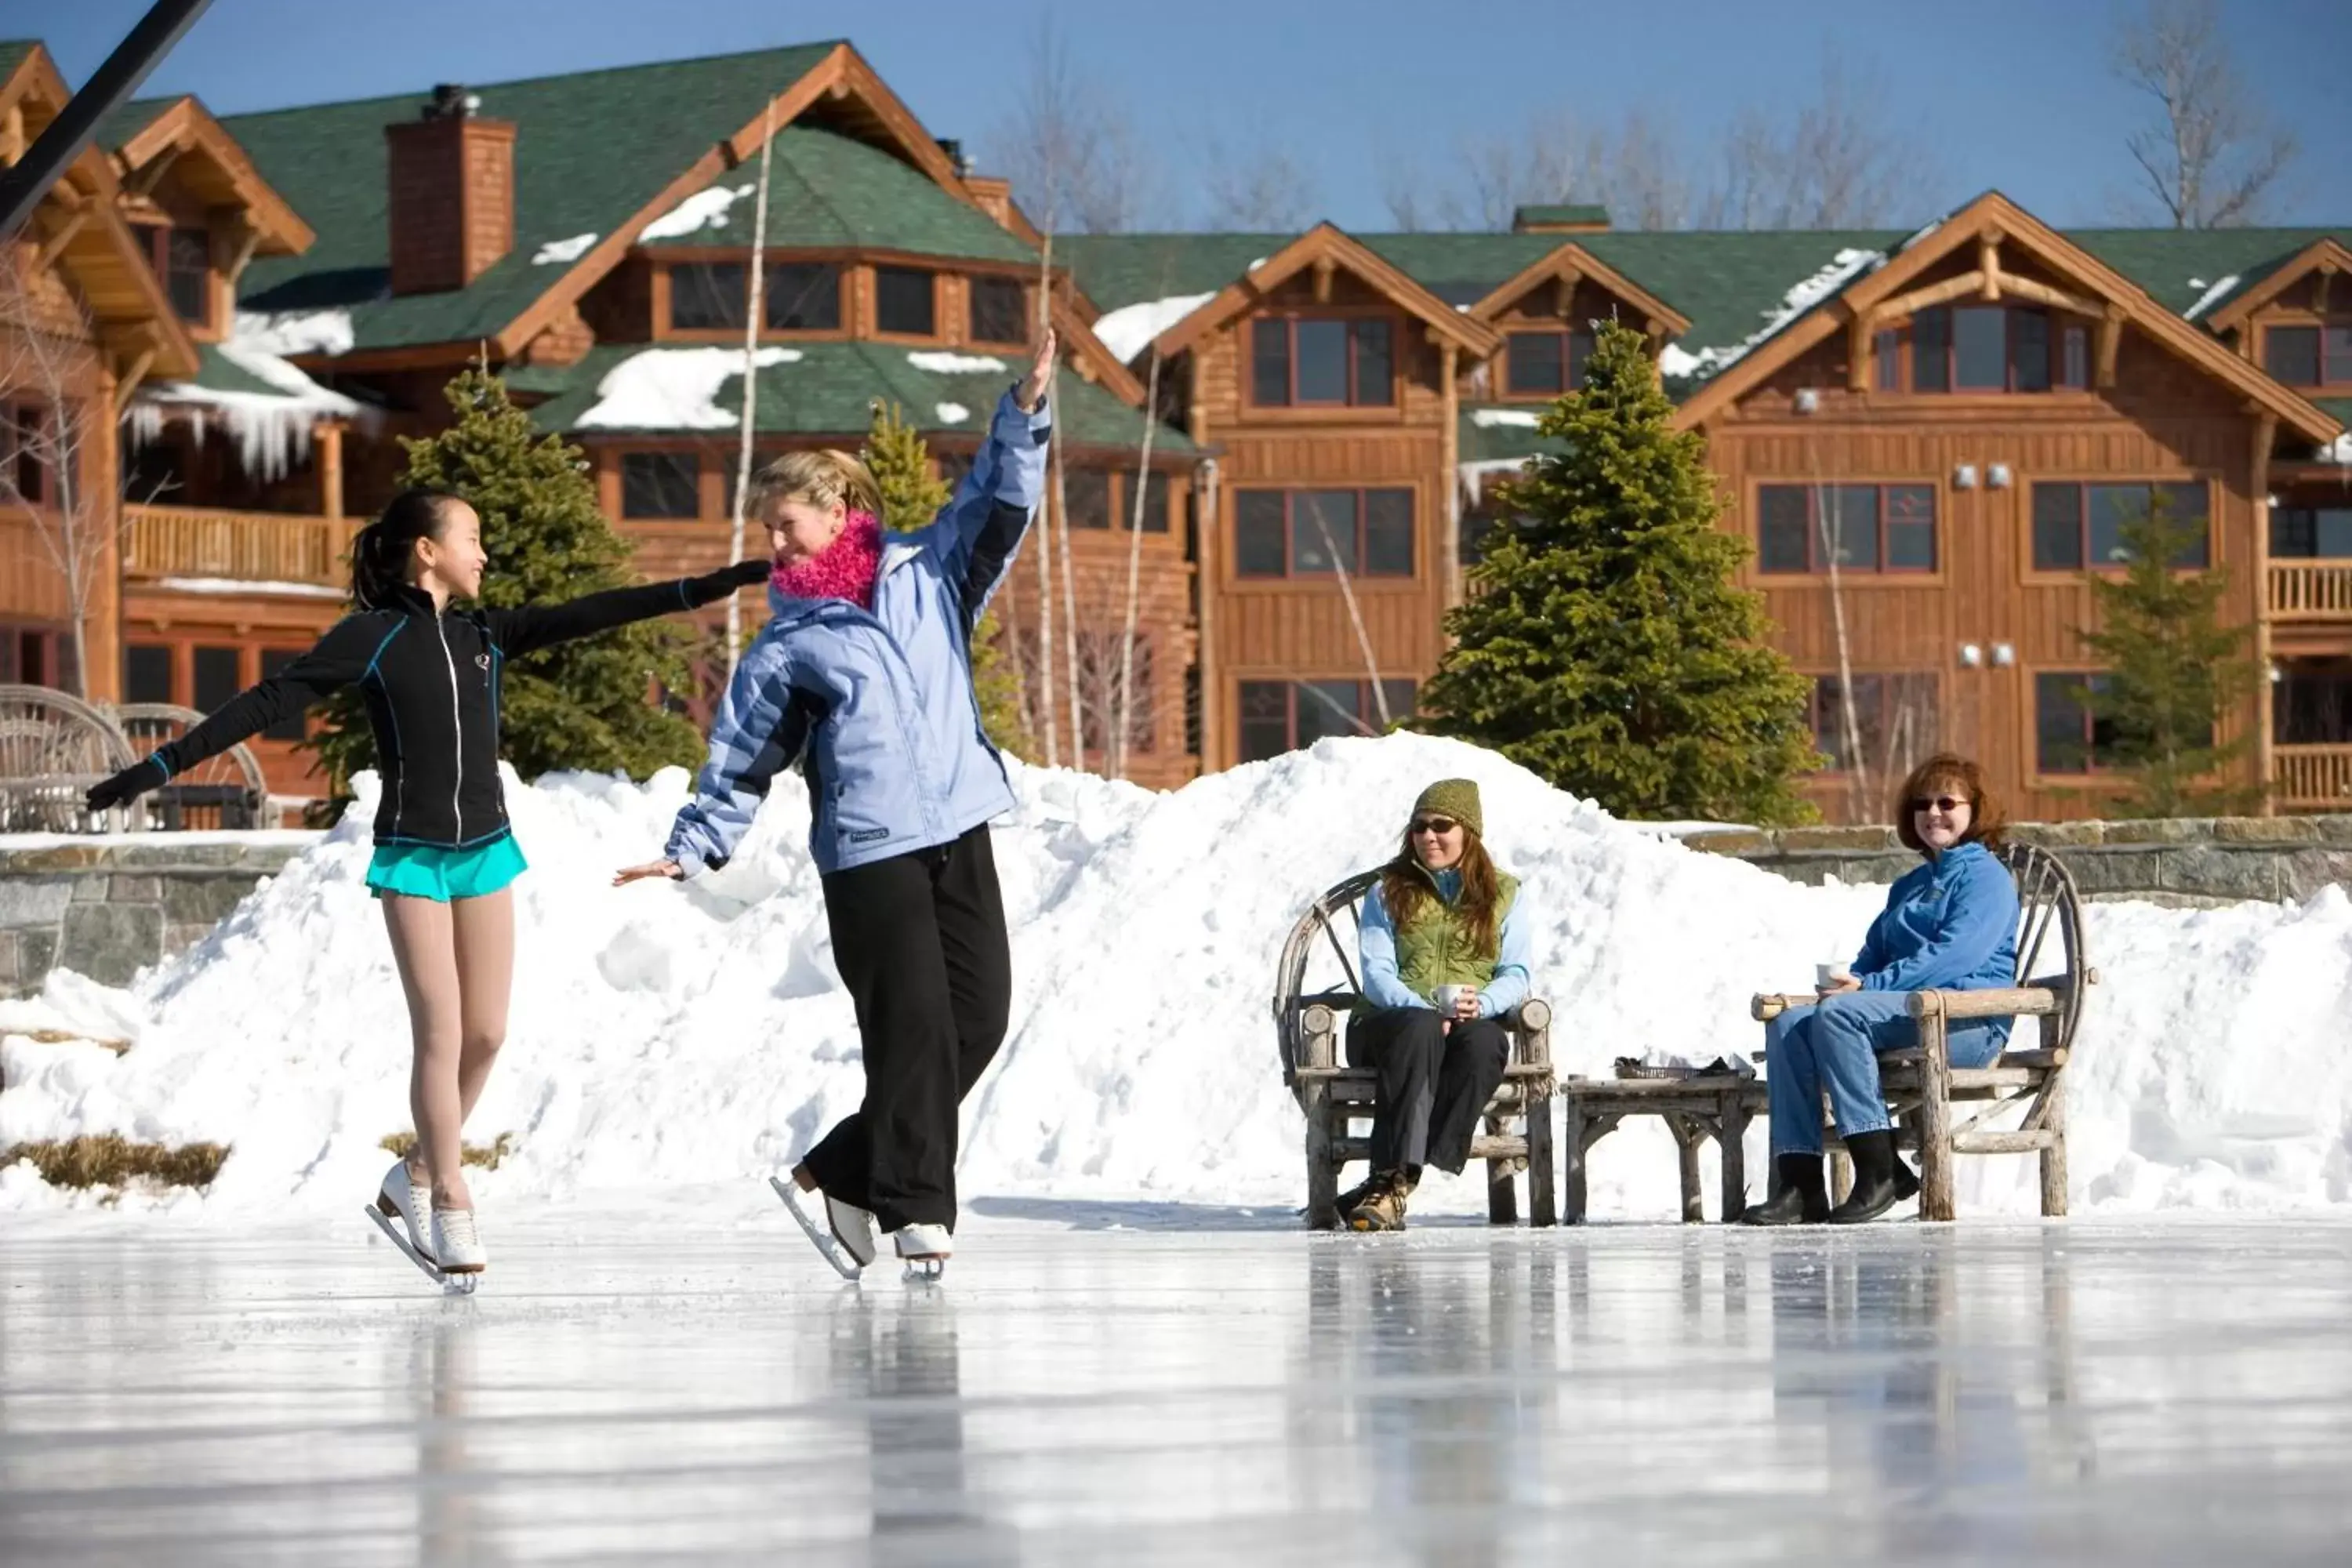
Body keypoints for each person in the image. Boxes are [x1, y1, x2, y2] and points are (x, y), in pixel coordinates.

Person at [84, 488, 768, 1276]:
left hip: (485, 848)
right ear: (426, 549)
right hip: (412, 854)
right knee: (440, 1034)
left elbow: (598, 610)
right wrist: (159, 765)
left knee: (486, 1033)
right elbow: (274, 696)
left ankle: (409, 1169)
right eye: (471, 537)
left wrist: (714, 584)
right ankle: (448, 1195)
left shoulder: (486, 633)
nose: (483, 553)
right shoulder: (372, 638)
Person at [613, 332, 1057, 1279]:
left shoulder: (930, 571)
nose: (771, 544)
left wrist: (1023, 415)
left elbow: (1000, 498)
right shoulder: (787, 647)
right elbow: (741, 758)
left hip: (959, 826)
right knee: (917, 1030)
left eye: (784, 524)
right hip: (869, 856)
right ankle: (918, 1213)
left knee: (979, 1015)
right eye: (766, 528)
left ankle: (838, 1172)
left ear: (839, 508)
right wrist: (694, 845)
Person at [1744, 753, 2021, 1226]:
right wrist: (1849, 981)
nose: (1933, 812)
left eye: (1947, 801)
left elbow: (1954, 956)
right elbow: (1875, 954)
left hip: (1965, 1022)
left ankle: (1878, 1170)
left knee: (1841, 1016)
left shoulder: (1986, 877)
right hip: (1907, 1014)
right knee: (1790, 1023)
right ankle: (1800, 1184)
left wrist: (1868, 988)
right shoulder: (1911, 885)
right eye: (1922, 802)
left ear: (1976, 810)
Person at [1341, 779, 1533, 1232]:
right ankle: (1391, 1180)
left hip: (1464, 1022)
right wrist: (1423, 1009)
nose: (1428, 836)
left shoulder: (1504, 894)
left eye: (1441, 825)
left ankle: (1394, 1181)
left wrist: (1483, 1004)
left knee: (1487, 1042)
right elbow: (1377, 973)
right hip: (1386, 1025)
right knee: (1419, 1029)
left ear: (1468, 831)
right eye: (1419, 827)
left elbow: (1517, 974)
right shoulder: (1388, 890)